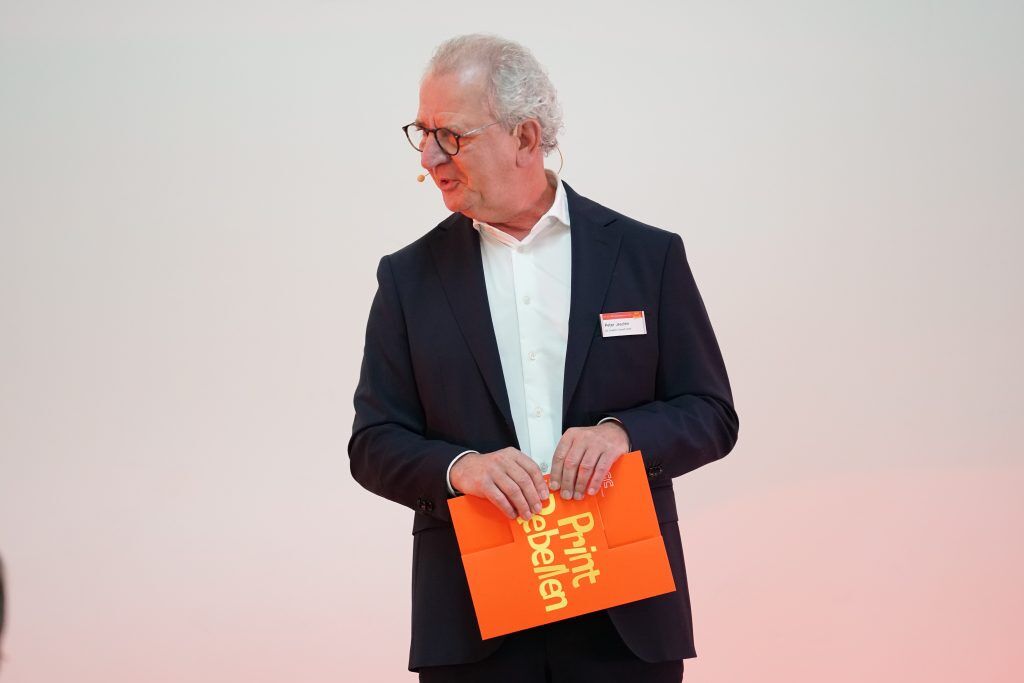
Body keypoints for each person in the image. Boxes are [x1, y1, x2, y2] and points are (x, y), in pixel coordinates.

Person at [348, 34, 738, 682]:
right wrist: (461, 469)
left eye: (451, 136)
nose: (430, 157)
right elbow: (373, 442)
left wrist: (621, 436)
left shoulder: (647, 256)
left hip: (626, 620)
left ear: (525, 138)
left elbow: (711, 413)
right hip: (474, 622)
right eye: (422, 133)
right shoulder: (407, 279)